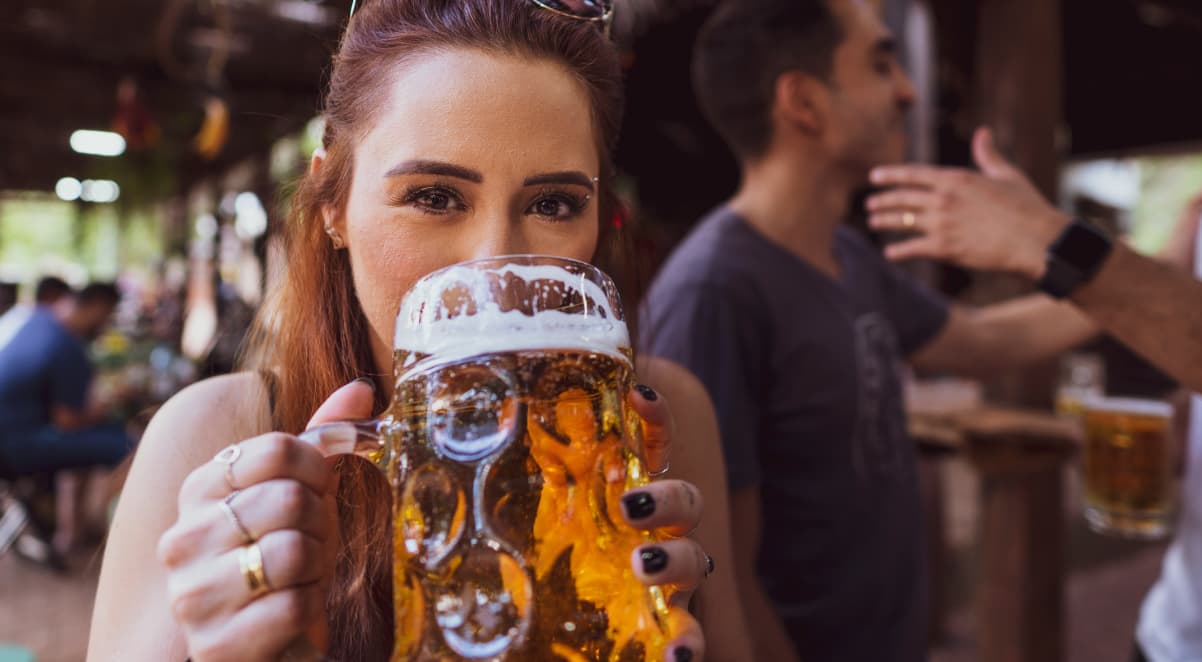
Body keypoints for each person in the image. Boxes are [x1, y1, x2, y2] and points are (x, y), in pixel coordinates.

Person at [88, 2, 751, 661]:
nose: (492, 267)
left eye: (553, 204)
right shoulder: (217, 434)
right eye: (434, 196)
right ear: (332, 205)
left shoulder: (662, 421)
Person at [641, 1, 1099, 660]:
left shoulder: (847, 255)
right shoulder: (715, 291)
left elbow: (985, 342)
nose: (910, 91)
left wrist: (1136, 280)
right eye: (882, 63)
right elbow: (722, 574)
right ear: (803, 102)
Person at [867, 145, 1202, 662]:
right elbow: (979, 343)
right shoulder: (1195, 213)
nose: (905, 93)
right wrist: (1186, 413)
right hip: (1173, 628)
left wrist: (1053, 244)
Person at [0, 282, 130, 552]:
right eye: (108, 315)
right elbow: (67, 420)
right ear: (97, 307)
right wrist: (112, 403)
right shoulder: (66, 341)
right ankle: (119, 540)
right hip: (16, 446)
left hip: (12, 436)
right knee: (129, 446)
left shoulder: (39, 319)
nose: (107, 323)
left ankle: (71, 531)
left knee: (93, 440)